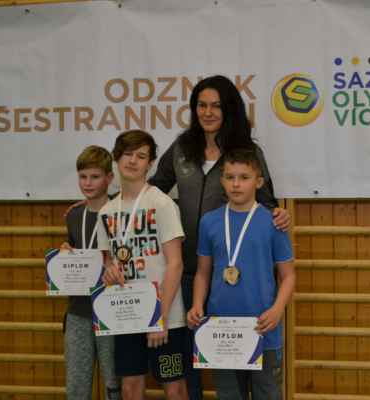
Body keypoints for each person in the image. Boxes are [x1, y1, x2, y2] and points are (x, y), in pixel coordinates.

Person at [149, 75, 290, 399]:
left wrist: (280, 214)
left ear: (229, 109)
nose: (208, 112)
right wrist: (103, 204)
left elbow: (267, 202)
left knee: (249, 372)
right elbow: (152, 189)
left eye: (216, 105)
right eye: (201, 105)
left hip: (236, 279)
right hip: (188, 272)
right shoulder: (182, 148)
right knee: (193, 360)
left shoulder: (247, 152)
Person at [187, 148, 296, 400]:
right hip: (221, 330)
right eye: (230, 177)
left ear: (258, 182)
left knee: (267, 394)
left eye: (244, 177)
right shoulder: (209, 222)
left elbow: (288, 276)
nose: (236, 184)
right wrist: (197, 304)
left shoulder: (274, 222)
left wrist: (277, 310)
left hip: (262, 328)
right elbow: (202, 273)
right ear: (222, 180)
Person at [98, 130, 188, 400]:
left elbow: (175, 264)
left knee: (174, 388)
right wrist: (109, 271)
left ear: (150, 163)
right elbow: (108, 261)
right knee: (130, 388)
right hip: (128, 316)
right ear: (116, 158)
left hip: (166, 318)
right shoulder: (106, 212)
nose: (133, 161)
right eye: (127, 154)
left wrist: (159, 317)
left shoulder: (161, 203)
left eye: (141, 156)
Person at [61, 145, 121, 400]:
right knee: (76, 385)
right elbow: (74, 250)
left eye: (95, 177)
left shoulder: (121, 212)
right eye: (83, 176)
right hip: (79, 310)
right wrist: (66, 255)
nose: (87, 183)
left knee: (113, 384)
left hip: (114, 310)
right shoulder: (74, 215)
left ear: (109, 178)